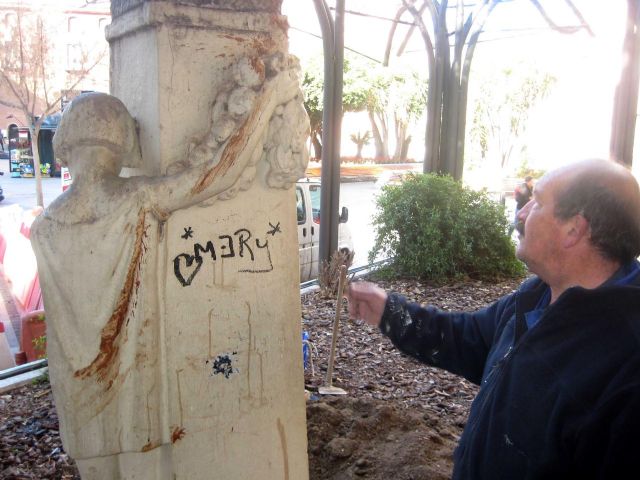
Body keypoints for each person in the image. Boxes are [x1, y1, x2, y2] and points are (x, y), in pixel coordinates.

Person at [30, 55, 301, 478]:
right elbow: (218, 175)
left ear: (66, 146)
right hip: (134, 392)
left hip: (76, 392)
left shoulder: (42, 229)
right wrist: (269, 98)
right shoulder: (136, 202)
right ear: (120, 143)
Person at [346, 158, 640, 479]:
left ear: (574, 229)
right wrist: (390, 313)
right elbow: (467, 339)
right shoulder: (535, 297)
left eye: (538, 202)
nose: (523, 212)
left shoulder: (624, 370)